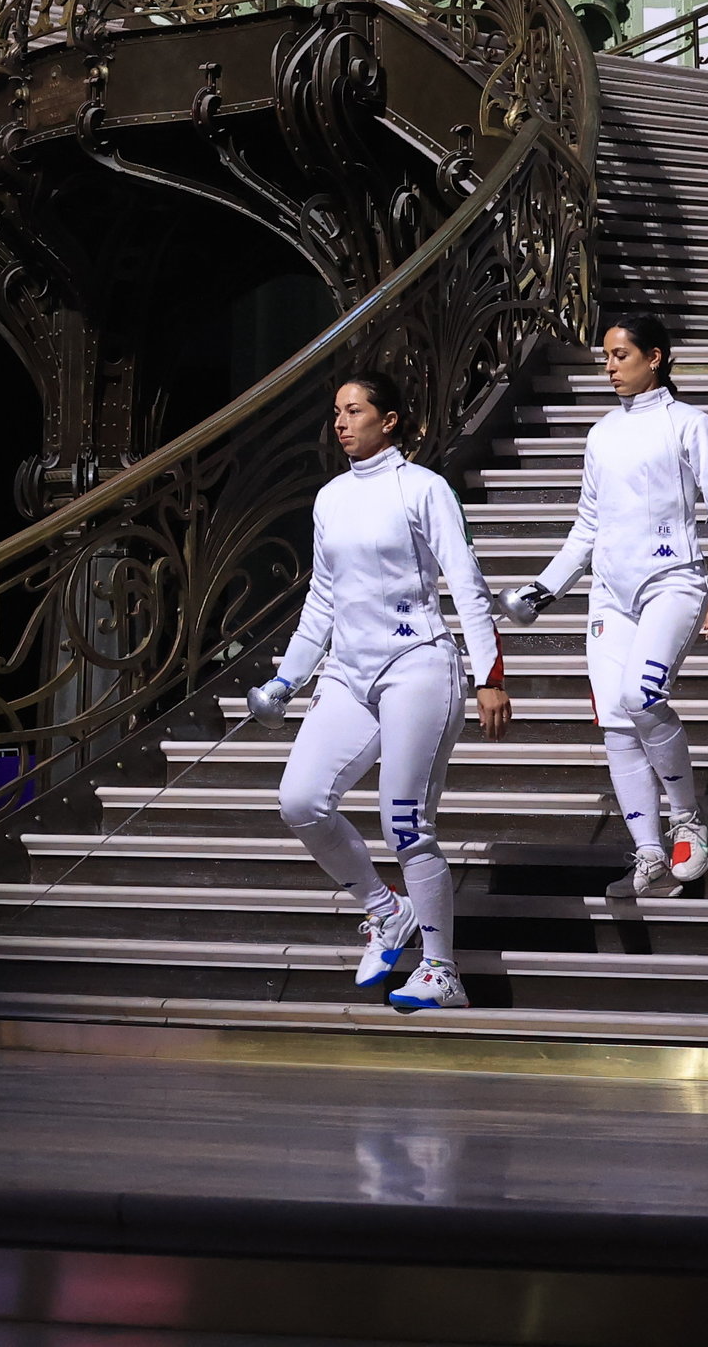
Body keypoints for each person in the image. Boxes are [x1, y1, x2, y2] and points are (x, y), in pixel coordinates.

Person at [222, 368, 505, 1016]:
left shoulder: (423, 488)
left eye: (354, 410)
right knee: (299, 798)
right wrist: (288, 677)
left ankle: (442, 970)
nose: (341, 422)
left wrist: (489, 675)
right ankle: (387, 909)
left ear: (391, 419)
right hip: (348, 672)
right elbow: (322, 598)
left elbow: (466, 582)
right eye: (337, 412)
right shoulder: (330, 499)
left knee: (404, 820)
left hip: (417, 664)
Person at [502, 311, 708, 902]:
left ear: (654, 358)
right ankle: (650, 852)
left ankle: (688, 820)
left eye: (620, 356)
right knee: (615, 724)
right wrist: (543, 588)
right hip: (611, 592)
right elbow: (588, 524)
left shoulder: (689, 423)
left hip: (672, 582)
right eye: (605, 357)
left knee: (642, 697)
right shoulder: (602, 432)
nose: (608, 367)